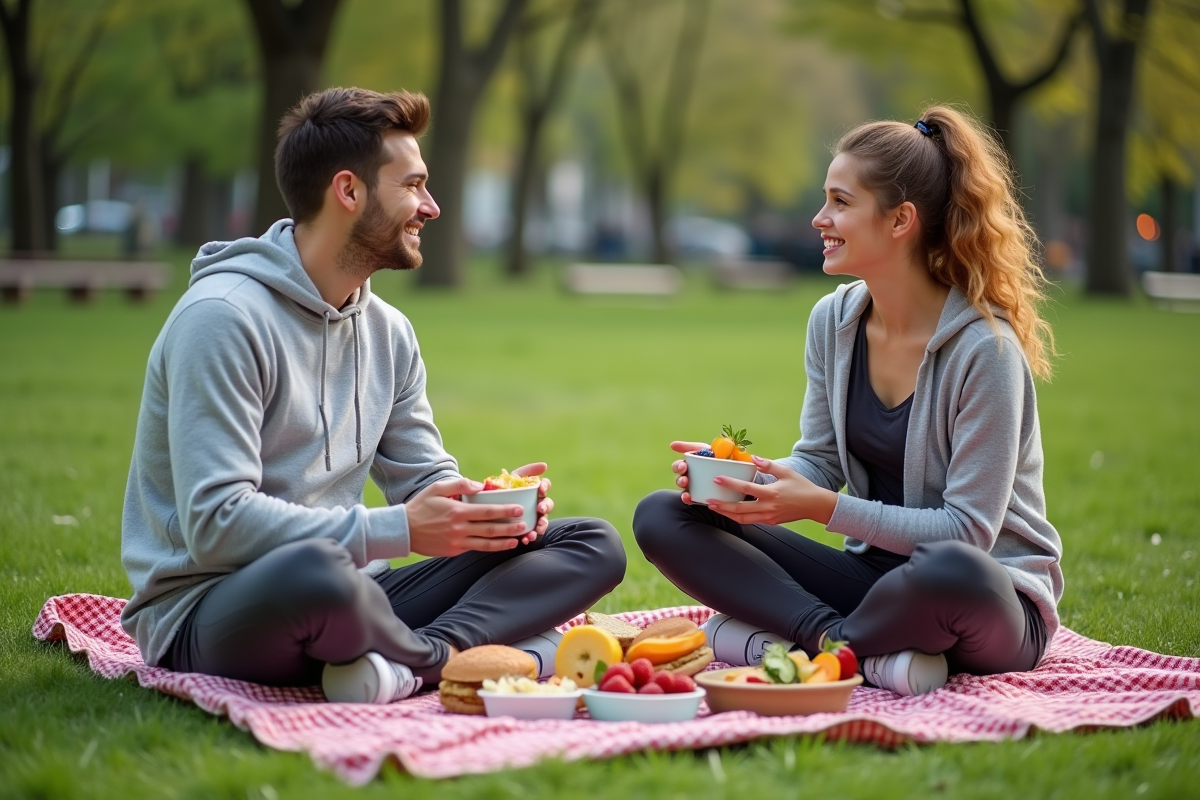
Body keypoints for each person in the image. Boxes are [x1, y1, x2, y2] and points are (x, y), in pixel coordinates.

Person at [120, 87, 626, 703]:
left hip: (362, 595)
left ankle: (418, 663)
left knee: (588, 543)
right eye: (412, 186)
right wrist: (401, 529)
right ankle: (455, 654)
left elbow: (421, 479)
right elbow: (216, 524)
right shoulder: (223, 318)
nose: (431, 207)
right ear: (349, 191)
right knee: (321, 575)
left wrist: (481, 510)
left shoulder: (388, 330)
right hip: (216, 609)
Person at [633, 106, 1063, 696]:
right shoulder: (833, 320)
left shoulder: (985, 350)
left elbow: (967, 534)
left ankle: (794, 643)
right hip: (874, 581)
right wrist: (747, 480)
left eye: (840, 201)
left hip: (985, 602)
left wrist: (820, 509)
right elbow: (821, 461)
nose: (819, 219)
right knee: (665, 514)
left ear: (899, 221)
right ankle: (840, 646)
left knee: (948, 569)